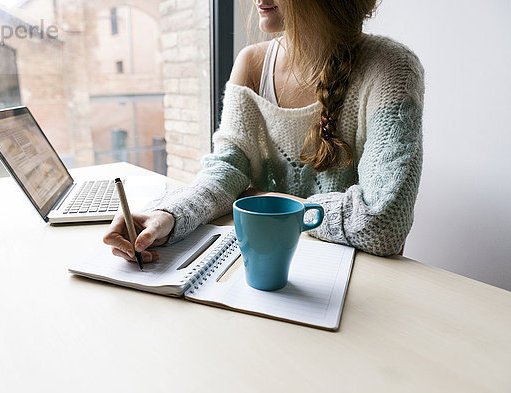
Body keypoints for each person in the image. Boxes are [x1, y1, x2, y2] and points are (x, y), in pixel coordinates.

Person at [103, 0, 424, 261]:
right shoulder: (252, 63)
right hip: (258, 262)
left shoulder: (391, 68)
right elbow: (226, 169)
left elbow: (383, 224)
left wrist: (270, 201)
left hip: (349, 276)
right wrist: (169, 215)